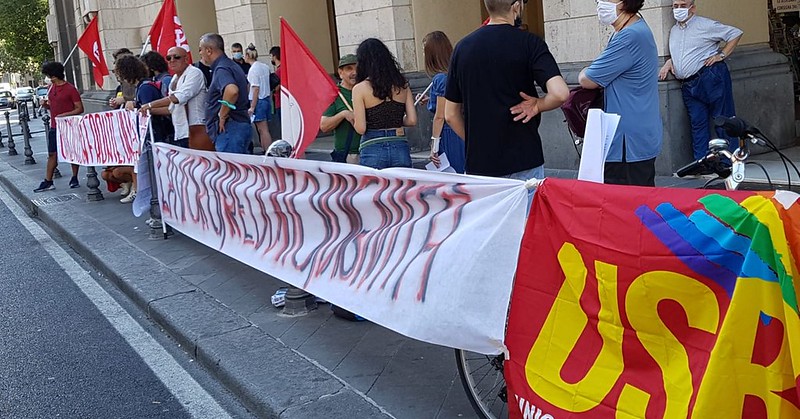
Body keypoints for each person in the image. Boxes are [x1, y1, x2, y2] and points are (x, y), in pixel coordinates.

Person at [445, 0, 569, 182]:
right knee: (527, 211)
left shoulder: (462, 48)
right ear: (516, 6)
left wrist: (476, 141)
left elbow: (450, 114)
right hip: (524, 156)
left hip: (481, 163)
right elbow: (560, 93)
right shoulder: (530, 43)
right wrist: (537, 105)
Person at [579, 0, 662, 187]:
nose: (601, 3)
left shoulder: (630, 36)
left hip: (627, 141)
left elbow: (588, 79)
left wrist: (585, 71)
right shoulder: (630, 30)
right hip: (634, 134)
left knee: (626, 206)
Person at [659, 0, 742, 163]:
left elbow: (735, 33)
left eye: (683, 5)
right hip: (689, 84)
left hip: (709, 76)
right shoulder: (674, 30)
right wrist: (670, 62)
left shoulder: (705, 25)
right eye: (675, 6)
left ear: (692, 8)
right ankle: (702, 162)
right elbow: (683, 53)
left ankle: (730, 161)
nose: (678, 9)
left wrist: (722, 55)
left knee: (722, 119)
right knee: (697, 123)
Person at [352, 38, 417, 169]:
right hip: (399, 145)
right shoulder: (402, 85)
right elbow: (412, 120)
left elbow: (361, 128)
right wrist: (395, 119)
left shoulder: (360, 88)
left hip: (372, 146)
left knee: (374, 188)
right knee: (401, 188)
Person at [142, 46, 209, 150]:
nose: (172, 61)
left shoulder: (194, 73)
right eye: (168, 58)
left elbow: (178, 98)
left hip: (197, 129)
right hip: (181, 132)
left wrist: (150, 104)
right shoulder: (174, 78)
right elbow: (171, 108)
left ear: (186, 59)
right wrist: (147, 110)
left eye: (176, 57)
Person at [34, 61, 84, 193]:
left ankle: (74, 177)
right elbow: (53, 107)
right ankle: (48, 181)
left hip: (69, 125)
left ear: (55, 75)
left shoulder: (70, 89)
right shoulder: (51, 89)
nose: (49, 78)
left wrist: (65, 115)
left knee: (72, 152)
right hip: (55, 126)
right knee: (52, 153)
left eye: (50, 75)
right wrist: (45, 105)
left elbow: (79, 108)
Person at [198, 33, 252, 154]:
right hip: (239, 124)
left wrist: (222, 114)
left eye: (201, 50)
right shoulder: (232, 65)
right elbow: (246, 86)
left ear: (209, 50)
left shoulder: (222, 69)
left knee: (231, 170)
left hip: (230, 128)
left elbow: (232, 90)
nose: (200, 53)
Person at [423, 31, 465, 174]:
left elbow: (440, 116)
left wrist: (434, 147)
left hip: (447, 133)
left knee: (452, 176)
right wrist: (431, 100)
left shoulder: (440, 78)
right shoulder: (457, 73)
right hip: (461, 127)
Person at [320, 54, 359, 164]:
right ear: (340, 73)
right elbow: (324, 126)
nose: (354, 73)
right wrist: (343, 114)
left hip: (370, 151)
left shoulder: (367, 90)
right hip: (349, 155)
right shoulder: (334, 95)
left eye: (357, 68)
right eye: (349, 69)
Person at [244, 44, 274, 151]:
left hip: (258, 101)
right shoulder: (265, 67)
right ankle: (267, 149)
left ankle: (267, 151)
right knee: (265, 129)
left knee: (262, 129)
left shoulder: (253, 70)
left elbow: (255, 88)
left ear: (247, 56)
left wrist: (252, 106)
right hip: (266, 99)